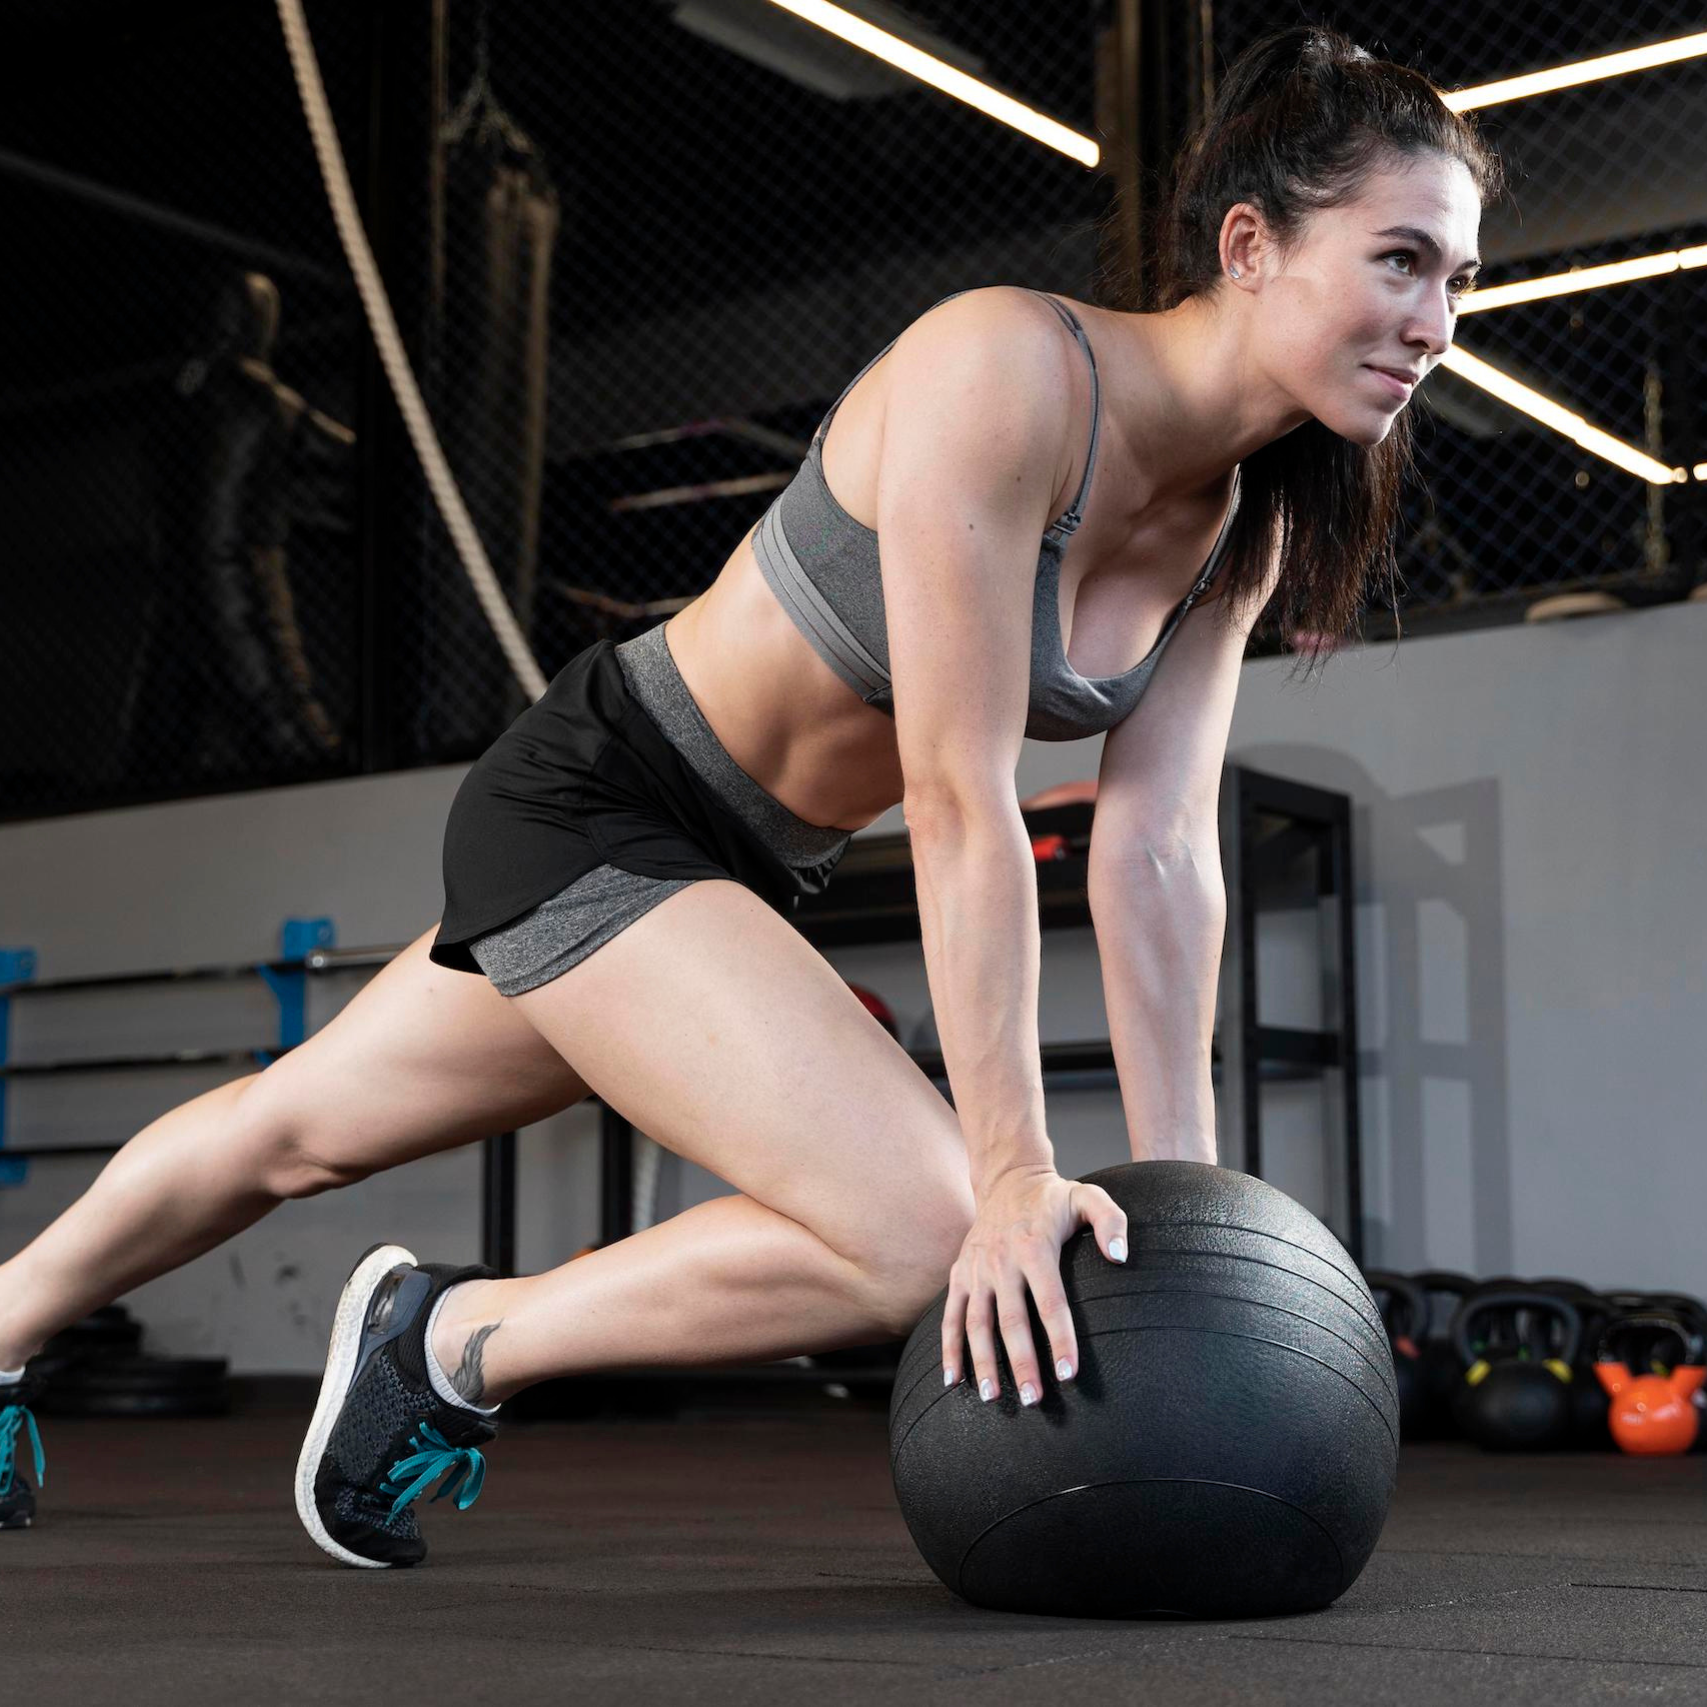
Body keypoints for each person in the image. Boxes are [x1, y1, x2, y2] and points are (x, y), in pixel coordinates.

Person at [0, 24, 1503, 1560]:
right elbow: (956, 790)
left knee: (295, 1128)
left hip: (725, 872)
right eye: (1399, 260)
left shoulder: (1236, 532)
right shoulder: (1008, 371)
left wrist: (1189, 1216)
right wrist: (1011, 1170)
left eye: (1456, 278)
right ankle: (448, 1343)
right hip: (600, 800)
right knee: (921, 1229)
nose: (1434, 318)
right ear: (1248, 245)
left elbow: (1158, 847)